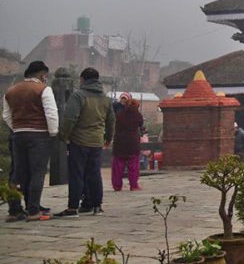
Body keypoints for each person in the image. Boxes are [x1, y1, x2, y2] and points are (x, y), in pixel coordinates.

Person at [2, 60, 59, 221]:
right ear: (42, 75)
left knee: (18, 173)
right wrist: (53, 132)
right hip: (39, 135)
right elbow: (51, 113)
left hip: (18, 135)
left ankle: (14, 209)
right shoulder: (43, 89)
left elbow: (6, 115)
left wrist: (17, 127)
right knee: (37, 172)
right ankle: (33, 209)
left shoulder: (11, 91)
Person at [55, 68, 114, 217]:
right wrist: (108, 138)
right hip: (96, 142)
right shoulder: (106, 98)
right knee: (94, 174)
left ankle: (73, 207)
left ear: (82, 79)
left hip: (79, 141)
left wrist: (64, 135)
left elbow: (70, 118)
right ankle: (96, 205)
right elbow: (111, 120)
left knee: (77, 174)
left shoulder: (78, 96)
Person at [111, 93, 145, 192]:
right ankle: (133, 186)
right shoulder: (138, 115)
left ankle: (117, 186)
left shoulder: (119, 115)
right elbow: (141, 125)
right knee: (133, 166)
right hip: (132, 144)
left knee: (118, 166)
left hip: (119, 143)